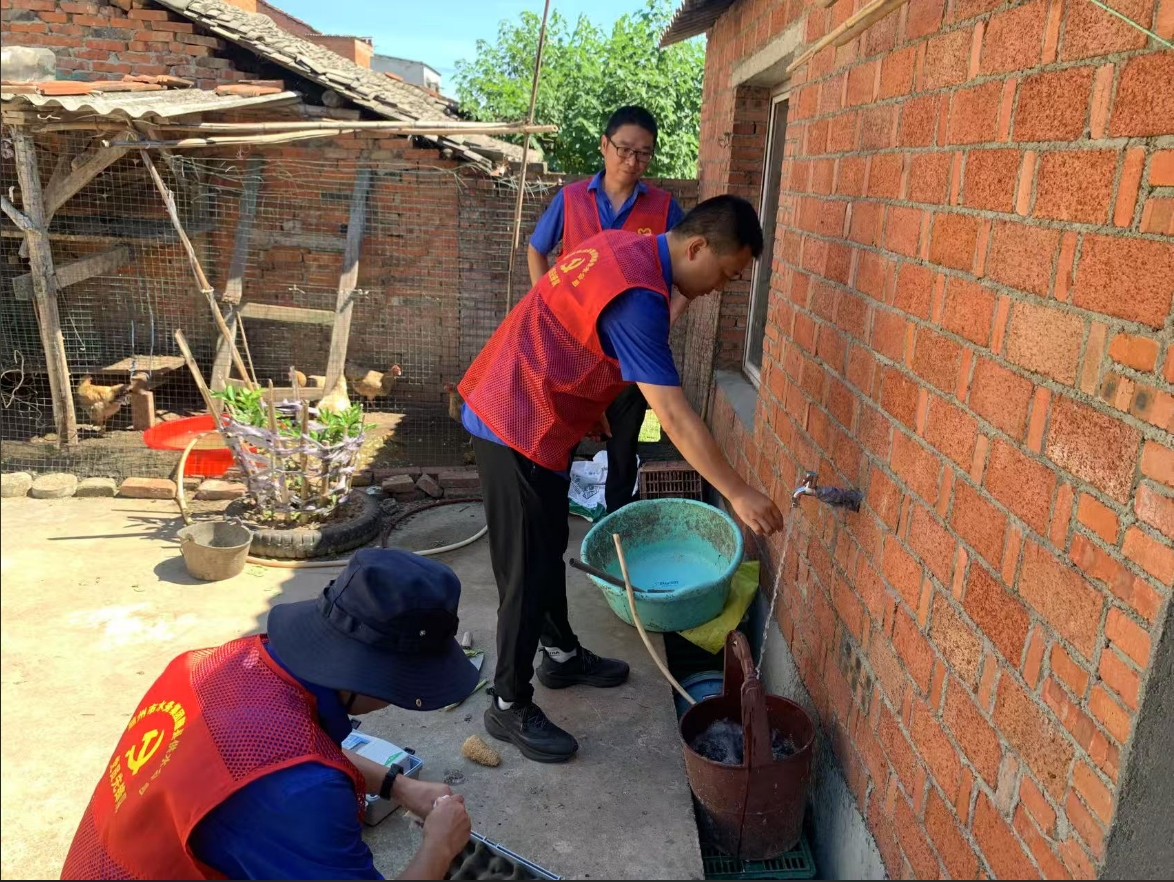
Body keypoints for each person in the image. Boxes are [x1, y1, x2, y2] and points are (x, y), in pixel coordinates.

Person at [459, 195, 787, 764]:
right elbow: (674, 415)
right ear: (697, 247)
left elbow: (570, 325)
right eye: (727, 274)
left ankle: (559, 655)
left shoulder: (624, 248)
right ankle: (507, 702)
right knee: (524, 572)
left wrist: (592, 402)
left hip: (539, 412)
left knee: (545, 548)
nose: (720, 288)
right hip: (513, 419)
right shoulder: (640, 297)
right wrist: (737, 490)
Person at [61, 550, 481, 881]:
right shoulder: (305, 796)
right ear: (375, 678)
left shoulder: (215, 664)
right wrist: (439, 847)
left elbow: (275, 753)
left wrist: (399, 785)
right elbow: (290, 776)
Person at [528, 105, 688, 514]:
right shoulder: (571, 199)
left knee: (623, 447)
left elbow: (690, 270)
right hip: (572, 352)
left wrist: (667, 317)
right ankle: (552, 521)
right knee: (559, 440)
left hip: (627, 359)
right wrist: (547, 307)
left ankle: (616, 527)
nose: (633, 161)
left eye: (644, 153)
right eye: (624, 149)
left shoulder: (664, 208)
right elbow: (537, 249)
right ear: (604, 145)